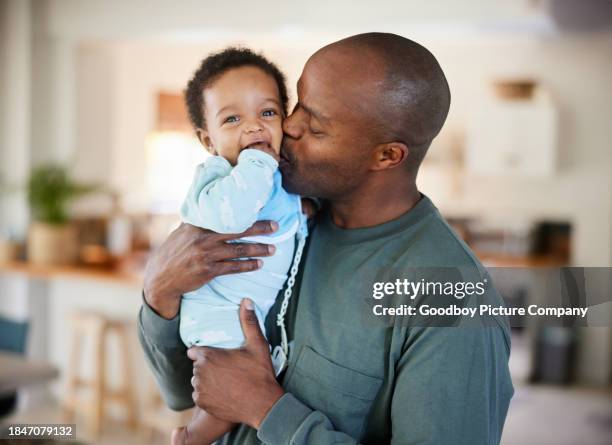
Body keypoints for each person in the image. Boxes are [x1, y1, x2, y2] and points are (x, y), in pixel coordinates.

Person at [139, 32, 514, 444]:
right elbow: (181, 389)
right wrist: (160, 290)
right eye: (296, 104)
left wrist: (266, 410)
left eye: (315, 125)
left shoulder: (450, 299)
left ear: (387, 155)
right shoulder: (278, 214)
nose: (287, 125)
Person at [171, 48, 309, 445]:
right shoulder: (219, 179)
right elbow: (231, 217)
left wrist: (303, 210)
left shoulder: (275, 180)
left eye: (267, 113)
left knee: (242, 379)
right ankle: (193, 437)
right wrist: (259, 163)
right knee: (230, 388)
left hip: (245, 310)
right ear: (208, 140)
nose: (253, 128)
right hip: (218, 313)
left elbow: (284, 220)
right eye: (232, 119)